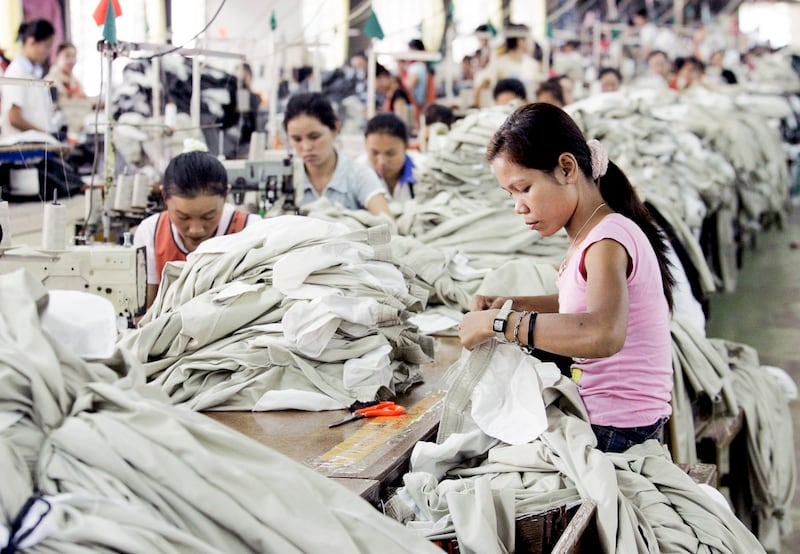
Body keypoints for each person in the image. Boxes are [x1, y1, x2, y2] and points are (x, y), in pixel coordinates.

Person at [459, 102, 675, 454]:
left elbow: (602, 333)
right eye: (510, 194)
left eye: (524, 188)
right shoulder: (591, 234)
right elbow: (580, 305)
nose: (518, 206)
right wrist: (508, 304)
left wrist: (500, 323)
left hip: (619, 432)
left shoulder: (607, 240)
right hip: (616, 422)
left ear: (566, 168)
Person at [133, 151, 262, 308]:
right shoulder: (151, 233)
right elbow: (145, 311)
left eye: (208, 217)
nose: (196, 230)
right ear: (164, 196)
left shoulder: (250, 230)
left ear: (226, 196)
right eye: (183, 217)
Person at [284, 92, 392, 218]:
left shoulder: (358, 176)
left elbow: (387, 224)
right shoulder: (285, 180)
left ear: (335, 129)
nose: (306, 147)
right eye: (297, 139)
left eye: (314, 137)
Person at [1, 19, 56, 136]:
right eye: (46, 46)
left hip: (38, 145)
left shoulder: (33, 72)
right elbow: (14, 118)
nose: (48, 52)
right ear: (32, 42)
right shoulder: (16, 72)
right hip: (23, 148)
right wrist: (45, 134)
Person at [363, 113, 418, 202]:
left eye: (390, 153)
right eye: (375, 153)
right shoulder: (356, 175)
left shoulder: (424, 173)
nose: (382, 162)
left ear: (406, 146)